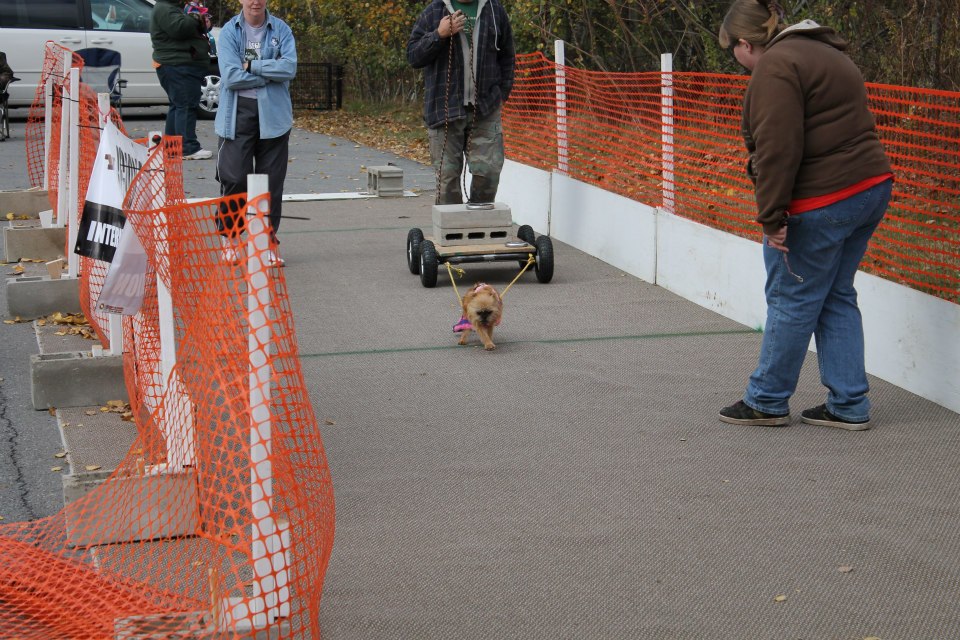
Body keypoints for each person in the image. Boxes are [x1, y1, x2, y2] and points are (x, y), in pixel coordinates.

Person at [716, 0, 894, 431]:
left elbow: (778, 149)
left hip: (821, 200)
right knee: (836, 295)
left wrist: (772, 216)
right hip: (870, 188)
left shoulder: (775, 66)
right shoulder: (826, 51)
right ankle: (849, 404)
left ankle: (766, 400)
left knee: (791, 299)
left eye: (732, 52)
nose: (735, 62)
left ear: (745, 43)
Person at [406, 0, 515, 205]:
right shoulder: (434, 11)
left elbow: (508, 56)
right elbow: (413, 56)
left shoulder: (494, 10)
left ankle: (479, 229)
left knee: (489, 174)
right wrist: (438, 35)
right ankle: (452, 233)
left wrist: (502, 93)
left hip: (486, 108)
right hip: (444, 110)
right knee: (447, 182)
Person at [215, 0, 296, 266]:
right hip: (236, 115)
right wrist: (268, 73)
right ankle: (230, 238)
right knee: (235, 177)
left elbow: (289, 68)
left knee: (271, 182)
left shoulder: (281, 30)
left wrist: (251, 66)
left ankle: (267, 242)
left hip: (274, 115)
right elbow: (230, 76)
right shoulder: (228, 32)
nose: (255, 1)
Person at [150, 0, 214, 160]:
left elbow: (187, 29)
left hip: (178, 65)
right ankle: (188, 148)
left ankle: (173, 147)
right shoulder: (165, 8)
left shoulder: (172, 8)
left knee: (178, 105)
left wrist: (202, 21)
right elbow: (179, 29)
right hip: (178, 65)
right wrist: (196, 17)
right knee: (186, 105)